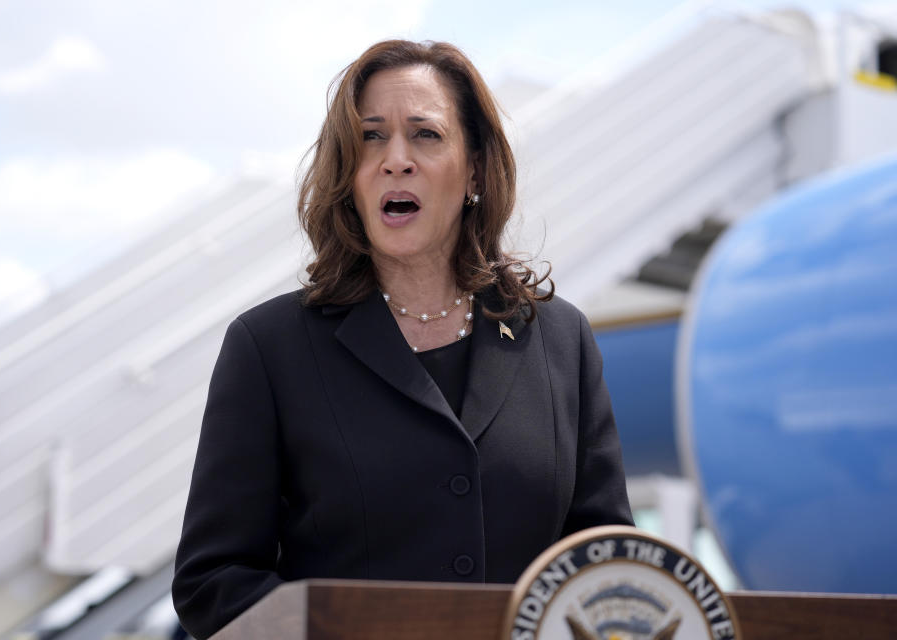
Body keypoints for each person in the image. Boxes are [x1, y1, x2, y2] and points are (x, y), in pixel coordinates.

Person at [172, 39, 633, 639]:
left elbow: (610, 565)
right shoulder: (268, 347)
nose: (396, 159)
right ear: (349, 174)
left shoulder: (562, 340)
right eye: (370, 137)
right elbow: (214, 580)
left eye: (426, 134)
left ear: (474, 169)